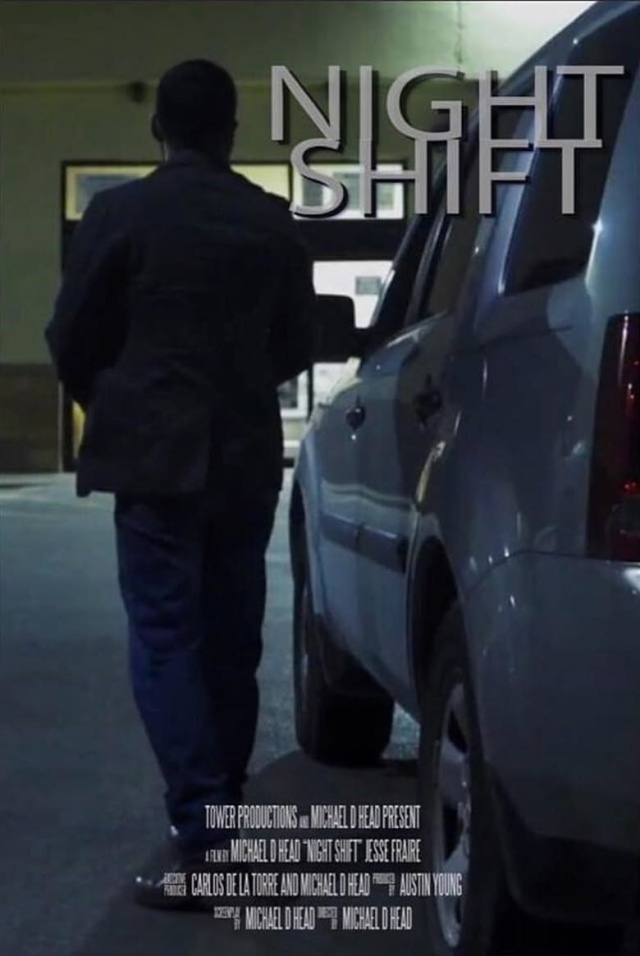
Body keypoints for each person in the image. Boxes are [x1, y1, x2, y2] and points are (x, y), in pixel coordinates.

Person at [45, 59, 316, 909]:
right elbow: (296, 341)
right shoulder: (269, 220)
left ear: (157, 127)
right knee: (232, 638)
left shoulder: (120, 214)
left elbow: (70, 336)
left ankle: (205, 834)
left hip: (155, 459)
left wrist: (118, 400)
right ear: (232, 130)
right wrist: (239, 390)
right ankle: (220, 808)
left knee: (166, 637)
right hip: (243, 455)